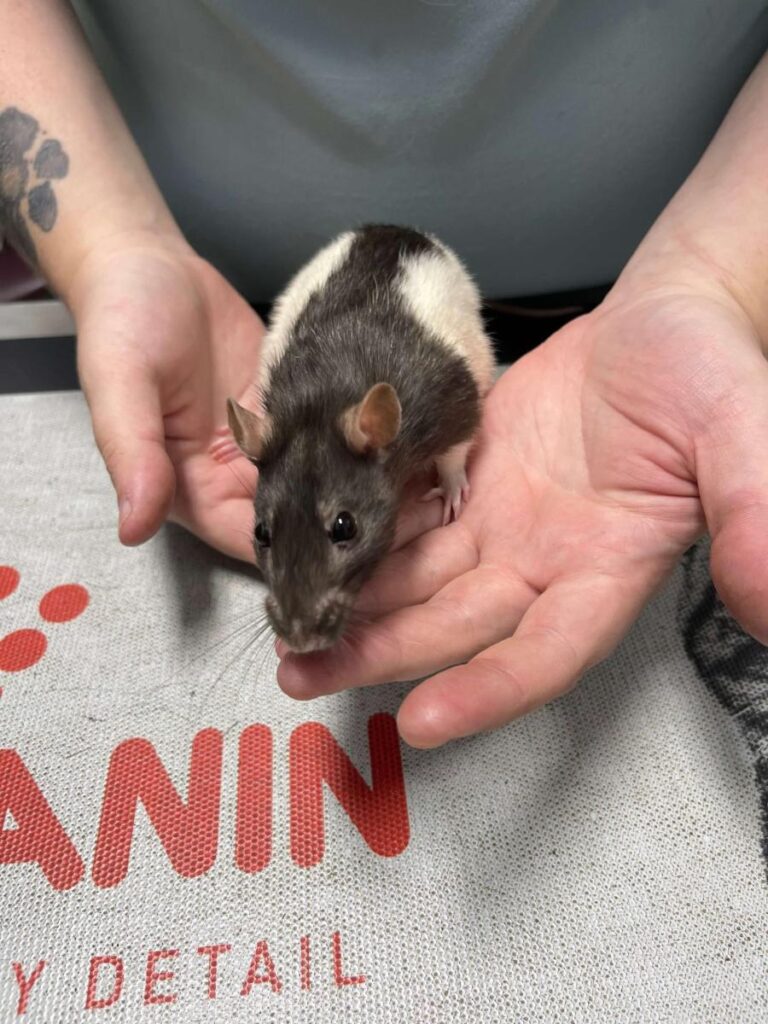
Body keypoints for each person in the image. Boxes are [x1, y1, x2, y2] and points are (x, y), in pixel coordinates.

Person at [2, 1, 768, 749]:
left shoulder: (421, 405)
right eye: (268, 535)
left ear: (379, 434)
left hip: (624, 270)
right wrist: (108, 246)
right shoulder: (281, 390)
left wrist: (715, 278)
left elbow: (468, 391)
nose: (299, 621)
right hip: (228, 287)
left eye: (342, 530)